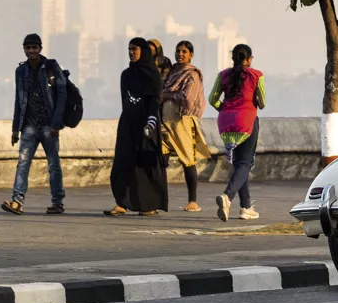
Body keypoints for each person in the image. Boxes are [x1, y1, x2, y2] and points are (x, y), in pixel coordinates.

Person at [1, 34, 68, 215]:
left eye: (34, 47)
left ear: (40, 49)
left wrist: (56, 123)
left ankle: (57, 202)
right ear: (24, 49)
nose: (31, 51)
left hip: (49, 125)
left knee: (53, 164)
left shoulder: (51, 68)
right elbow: (19, 100)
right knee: (23, 163)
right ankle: (17, 201)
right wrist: (16, 128)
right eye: (28, 47)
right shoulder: (21, 71)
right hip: (29, 126)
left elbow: (62, 96)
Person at [105, 37, 168, 216]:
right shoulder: (126, 75)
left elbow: (154, 102)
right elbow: (125, 101)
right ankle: (121, 203)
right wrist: (127, 123)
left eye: (135, 49)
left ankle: (148, 205)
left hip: (148, 124)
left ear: (143, 52)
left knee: (145, 166)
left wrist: (149, 125)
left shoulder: (154, 75)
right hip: (128, 124)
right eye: (129, 49)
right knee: (123, 162)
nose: (131, 52)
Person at [210, 44, 266, 221]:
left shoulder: (223, 75)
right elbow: (263, 102)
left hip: (226, 122)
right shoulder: (256, 75)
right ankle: (228, 196)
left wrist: (225, 109)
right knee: (245, 163)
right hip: (247, 121)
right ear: (249, 59)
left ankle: (246, 207)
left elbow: (212, 99)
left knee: (240, 164)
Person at [160, 40, 211, 212]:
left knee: (188, 161)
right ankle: (156, 200)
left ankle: (192, 201)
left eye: (184, 51)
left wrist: (166, 95)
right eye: (178, 51)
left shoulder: (192, 75)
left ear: (190, 55)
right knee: (160, 159)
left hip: (182, 122)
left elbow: (187, 98)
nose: (180, 54)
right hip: (165, 122)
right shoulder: (172, 71)